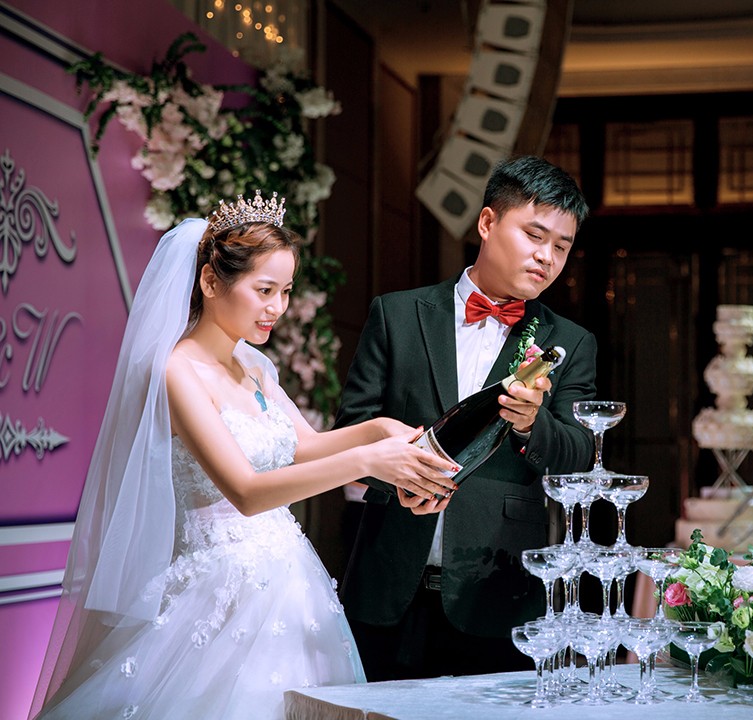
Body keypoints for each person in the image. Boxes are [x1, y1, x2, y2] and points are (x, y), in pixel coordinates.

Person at [31, 193, 458, 719]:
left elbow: (304, 446)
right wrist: (368, 462)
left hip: (288, 581)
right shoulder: (177, 372)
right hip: (218, 594)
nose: (277, 308)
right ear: (211, 283)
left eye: (286, 292)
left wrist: (378, 429)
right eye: (264, 290)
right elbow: (247, 492)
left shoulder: (254, 366)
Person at [336, 155, 596, 680]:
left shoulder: (569, 341)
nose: (546, 257)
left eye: (561, 247)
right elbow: (350, 436)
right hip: (389, 583)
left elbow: (581, 456)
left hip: (497, 591)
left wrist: (532, 423)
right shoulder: (397, 314)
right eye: (534, 235)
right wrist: (402, 474)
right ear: (487, 222)